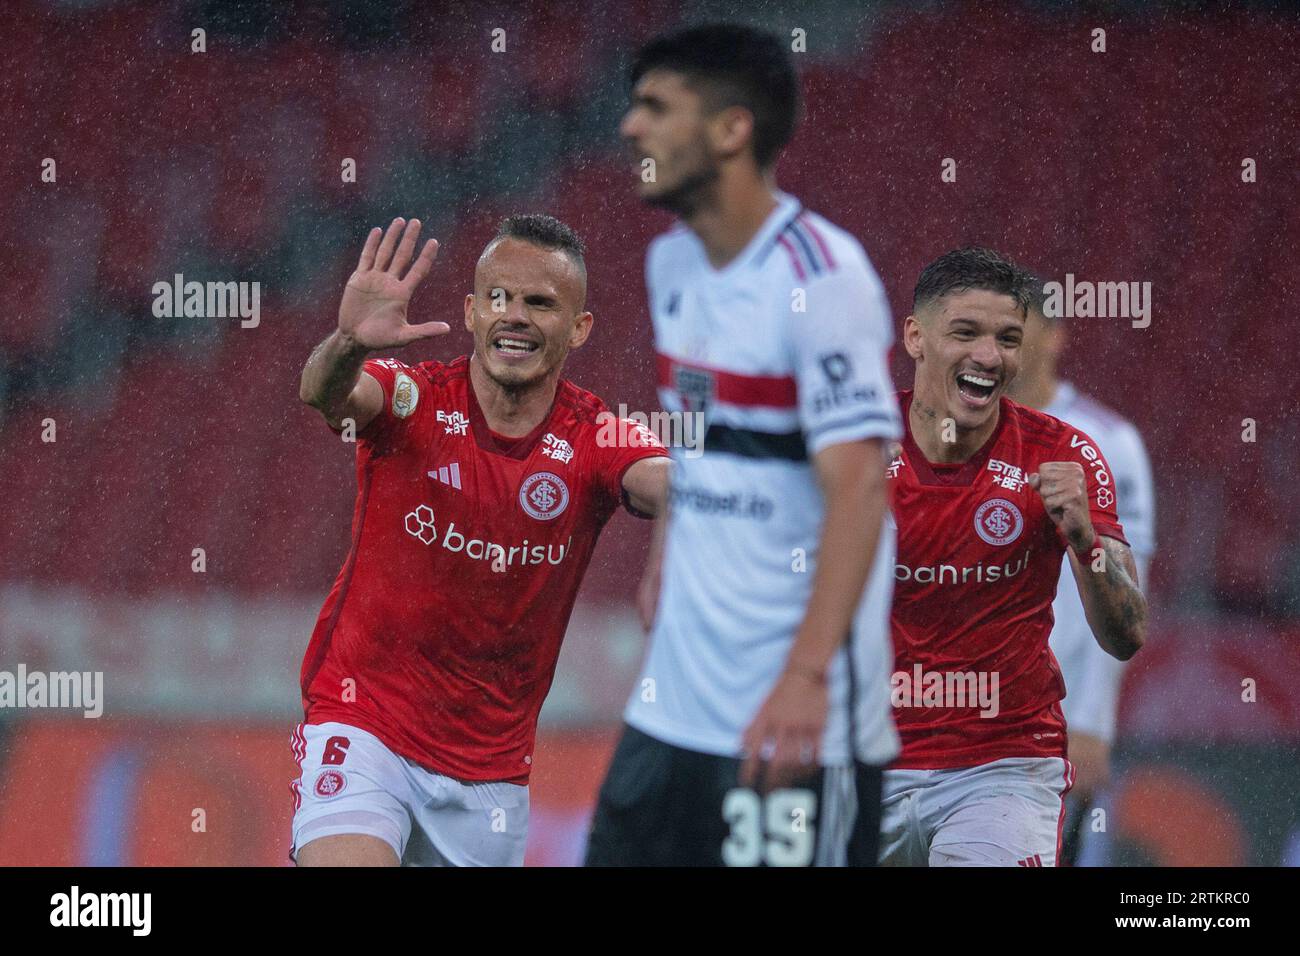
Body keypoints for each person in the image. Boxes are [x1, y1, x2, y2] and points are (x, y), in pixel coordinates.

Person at [585, 23, 900, 867]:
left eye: (657, 107)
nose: (630, 127)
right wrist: (665, 559)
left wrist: (805, 680)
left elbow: (861, 491)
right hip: (673, 704)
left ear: (731, 129)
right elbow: (695, 435)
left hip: (793, 718)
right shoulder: (671, 267)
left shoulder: (821, 278)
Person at [292, 213, 670, 866]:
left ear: (579, 328)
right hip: (364, 725)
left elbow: (667, 480)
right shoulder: (413, 401)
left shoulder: (592, 437)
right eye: (499, 297)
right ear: (471, 311)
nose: (515, 315)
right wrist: (350, 342)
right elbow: (324, 392)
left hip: (489, 776)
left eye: (540, 303)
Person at [881, 247, 1147, 867]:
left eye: (1007, 338)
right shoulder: (856, 446)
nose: (988, 356)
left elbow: (1129, 631)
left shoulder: (1066, 454)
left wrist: (1085, 542)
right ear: (916, 337)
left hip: (1002, 766)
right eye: (965, 333)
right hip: (865, 758)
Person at [1007, 280, 1156, 865]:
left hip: (1056, 716)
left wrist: (1095, 723)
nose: (1006, 344)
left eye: (1021, 326)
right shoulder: (956, 435)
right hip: (961, 711)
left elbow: (1127, 587)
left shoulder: (1110, 443)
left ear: (1055, 336)